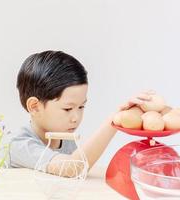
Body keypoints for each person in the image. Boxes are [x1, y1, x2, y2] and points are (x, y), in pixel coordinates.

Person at [9, 50, 153, 177]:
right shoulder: (20, 145)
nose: (76, 118)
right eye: (67, 109)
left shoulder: (66, 139)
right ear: (34, 107)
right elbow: (73, 168)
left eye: (81, 107)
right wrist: (114, 121)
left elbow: (80, 171)